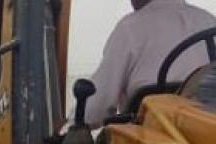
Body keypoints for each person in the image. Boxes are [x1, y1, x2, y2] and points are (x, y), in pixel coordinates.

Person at [85, 0, 216, 127]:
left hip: (150, 139)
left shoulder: (129, 27)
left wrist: (71, 127)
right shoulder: (210, 22)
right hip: (207, 135)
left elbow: (95, 110)